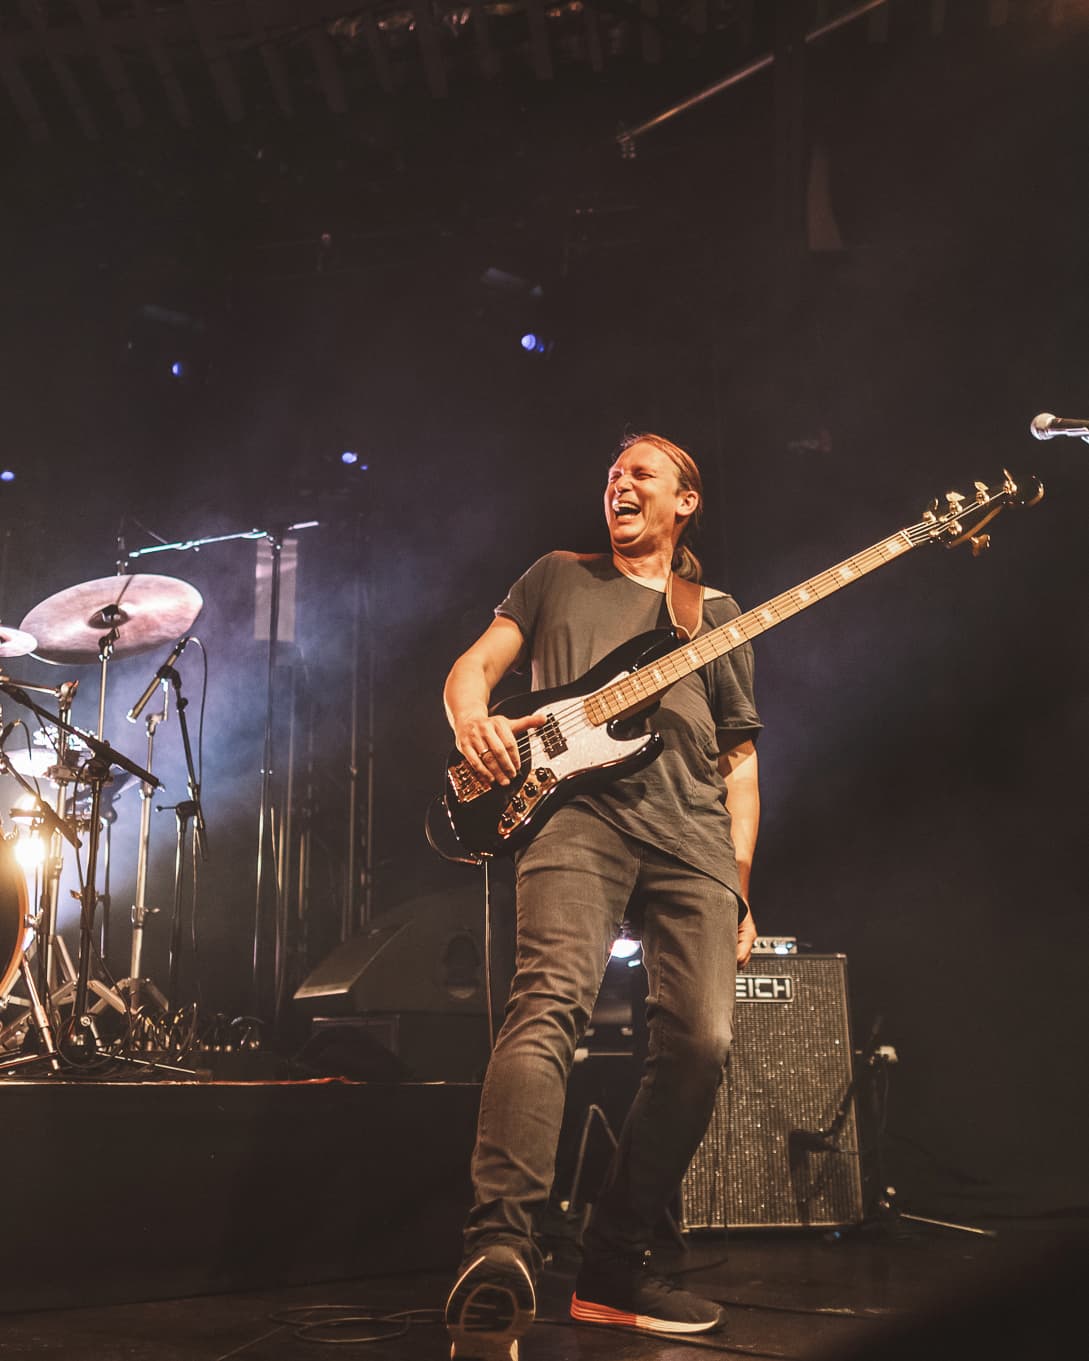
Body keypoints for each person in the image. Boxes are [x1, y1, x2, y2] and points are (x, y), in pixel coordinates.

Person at [441, 432, 761, 1360]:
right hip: (573, 816)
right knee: (547, 1006)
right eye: (613, 472)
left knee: (701, 1042)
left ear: (685, 500)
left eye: (642, 473)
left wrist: (739, 888)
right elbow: (473, 670)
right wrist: (475, 724)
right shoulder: (554, 576)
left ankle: (614, 1267)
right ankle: (498, 1248)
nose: (619, 482)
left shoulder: (718, 612)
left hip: (694, 836)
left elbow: (739, 764)